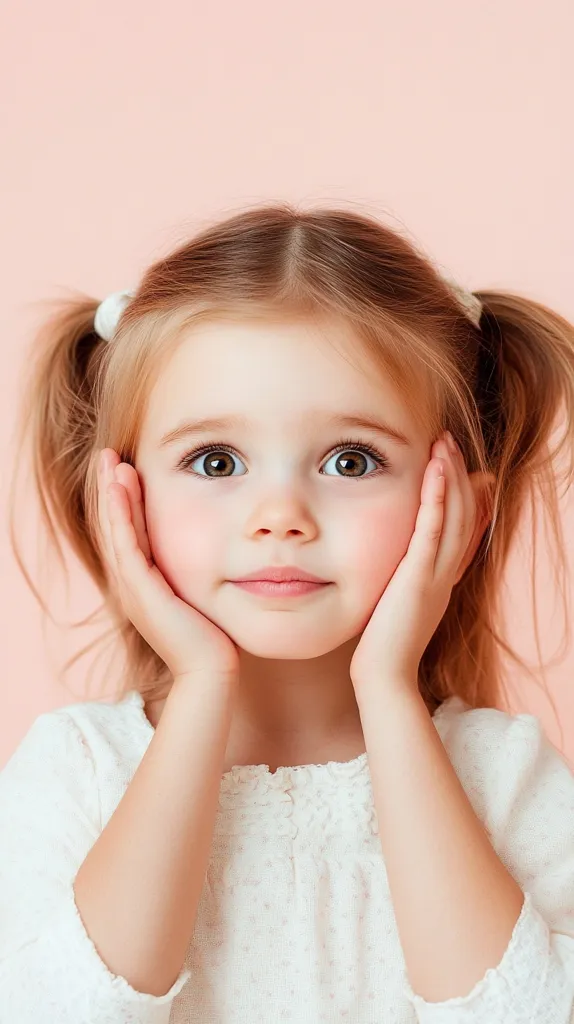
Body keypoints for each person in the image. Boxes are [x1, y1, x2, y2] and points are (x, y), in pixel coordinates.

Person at [1, 203, 574, 1024]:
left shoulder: (506, 775)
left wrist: (389, 689)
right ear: (118, 502)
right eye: (215, 460)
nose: (280, 514)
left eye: (351, 460)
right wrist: (201, 688)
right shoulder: (78, 770)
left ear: (462, 517)